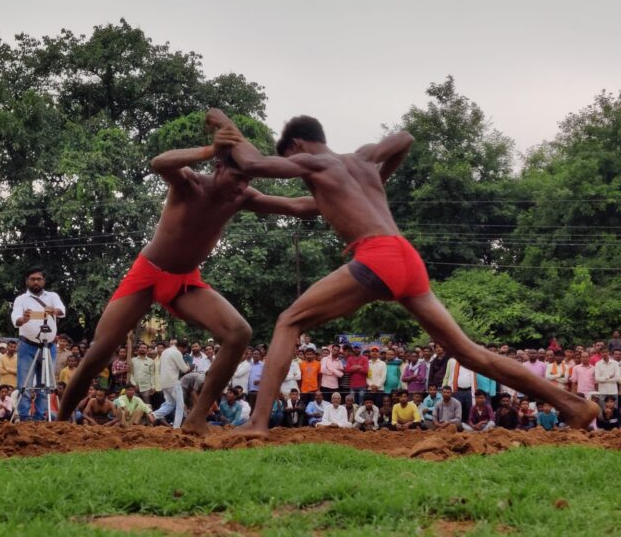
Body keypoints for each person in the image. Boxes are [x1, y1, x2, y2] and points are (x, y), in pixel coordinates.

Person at [215, 115, 596, 435]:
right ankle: (574, 407)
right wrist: (255, 202)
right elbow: (403, 139)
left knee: (288, 321)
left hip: (377, 256)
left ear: (298, 144)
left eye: (293, 162)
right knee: (470, 353)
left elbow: (252, 164)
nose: (301, 175)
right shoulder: (361, 162)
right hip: (405, 257)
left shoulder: (318, 163)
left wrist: (229, 129)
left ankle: (258, 423)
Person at [56, 112, 317, 436]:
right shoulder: (190, 183)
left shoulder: (241, 196)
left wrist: (340, 186)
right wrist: (209, 149)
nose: (242, 187)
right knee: (100, 350)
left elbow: (298, 206)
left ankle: (195, 418)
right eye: (239, 177)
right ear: (220, 168)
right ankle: (62, 421)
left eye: (248, 180)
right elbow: (160, 162)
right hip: (148, 273)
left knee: (239, 333)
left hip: (185, 281)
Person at [11, 267, 65, 421]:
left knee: (45, 383)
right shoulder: (21, 299)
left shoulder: (52, 296)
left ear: (44, 280)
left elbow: (62, 310)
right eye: (32, 279)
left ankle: (40, 416)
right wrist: (24, 319)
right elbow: (16, 318)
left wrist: (54, 310)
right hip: (27, 345)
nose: (36, 281)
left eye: (39, 279)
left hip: (49, 346)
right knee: (24, 383)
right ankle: (24, 416)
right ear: (27, 281)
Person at [151, 341, 191, 428]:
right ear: (181, 347)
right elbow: (184, 369)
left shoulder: (165, 351)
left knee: (170, 404)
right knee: (180, 405)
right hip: (173, 382)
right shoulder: (176, 353)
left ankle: (154, 415)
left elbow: (160, 367)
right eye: (184, 350)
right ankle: (176, 427)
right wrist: (190, 367)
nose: (183, 352)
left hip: (164, 382)